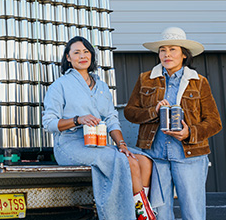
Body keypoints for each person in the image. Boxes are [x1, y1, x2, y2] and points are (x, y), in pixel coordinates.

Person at [43, 36, 156, 220]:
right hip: (70, 145)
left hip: (99, 142)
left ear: (92, 55)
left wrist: (121, 144)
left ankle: (138, 210)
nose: (82, 56)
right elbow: (49, 124)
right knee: (126, 162)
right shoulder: (59, 86)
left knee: (143, 160)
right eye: (76, 52)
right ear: (68, 58)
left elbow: (112, 118)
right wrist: (78, 120)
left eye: (86, 51)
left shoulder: (101, 86)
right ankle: (141, 214)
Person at [124, 27, 223, 220]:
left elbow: (214, 122)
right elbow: (130, 113)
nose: (167, 54)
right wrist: (154, 111)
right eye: (163, 50)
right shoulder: (145, 79)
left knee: (193, 213)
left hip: (189, 156)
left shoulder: (199, 82)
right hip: (156, 156)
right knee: (160, 213)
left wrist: (189, 133)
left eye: (172, 49)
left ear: (184, 54)